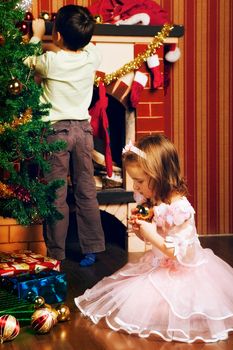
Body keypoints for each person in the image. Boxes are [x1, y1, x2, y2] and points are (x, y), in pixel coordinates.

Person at [75, 133, 233, 342]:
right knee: (131, 298)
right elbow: (156, 240)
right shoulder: (154, 199)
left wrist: (151, 234)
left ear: (160, 176)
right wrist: (143, 232)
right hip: (160, 263)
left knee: (168, 306)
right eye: (134, 181)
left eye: (139, 181)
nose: (136, 187)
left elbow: (179, 254)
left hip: (184, 269)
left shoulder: (180, 209)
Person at [24, 5, 105, 266]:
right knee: (86, 191)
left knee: (56, 194)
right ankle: (92, 248)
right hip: (83, 131)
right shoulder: (92, 58)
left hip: (55, 131)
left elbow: (27, 59)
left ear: (57, 36)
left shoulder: (51, 61)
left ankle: (56, 253)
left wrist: (37, 34)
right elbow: (90, 46)